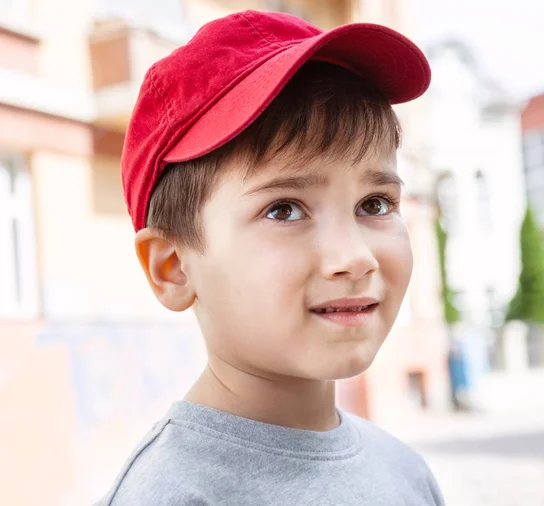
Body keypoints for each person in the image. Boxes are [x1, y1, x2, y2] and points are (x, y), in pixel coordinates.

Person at [96, 9, 444, 506]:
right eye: (284, 209)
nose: (353, 256)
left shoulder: (404, 471)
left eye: (375, 204)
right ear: (173, 266)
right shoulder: (174, 495)